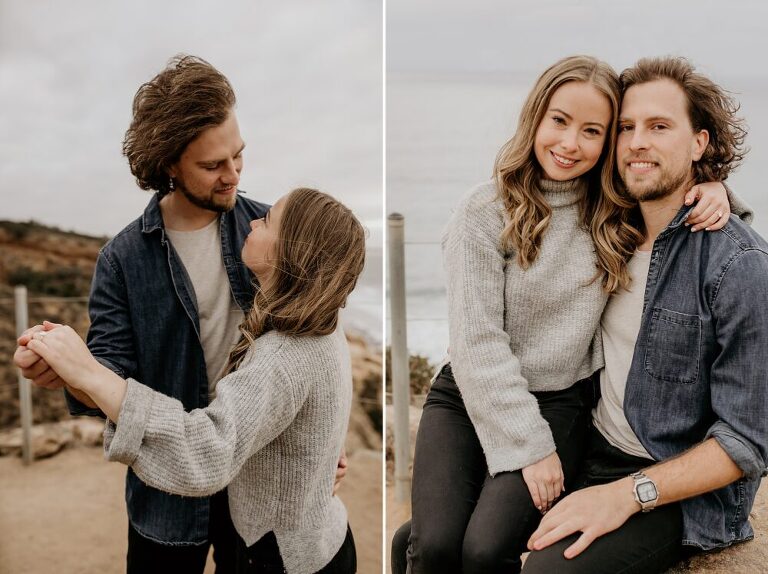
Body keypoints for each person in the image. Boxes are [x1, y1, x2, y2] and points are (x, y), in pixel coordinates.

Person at [391, 56, 745, 574]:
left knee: (485, 550)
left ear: (607, 143)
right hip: (468, 395)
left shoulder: (613, 209)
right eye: (559, 121)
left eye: (593, 131)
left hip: (561, 403)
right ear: (536, 117)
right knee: (434, 544)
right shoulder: (482, 212)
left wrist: (717, 190)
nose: (570, 143)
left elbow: (672, 195)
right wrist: (528, 447)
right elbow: (477, 344)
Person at [13, 55, 342, 573]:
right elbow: (106, 378)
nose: (233, 175)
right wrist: (64, 374)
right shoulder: (121, 259)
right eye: (213, 166)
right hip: (164, 496)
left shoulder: (271, 233)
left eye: (238, 156)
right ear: (169, 164)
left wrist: (318, 443)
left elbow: (313, 345)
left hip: (255, 488)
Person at [21, 187, 364, 574]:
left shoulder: (283, 353)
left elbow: (207, 450)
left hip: (282, 560)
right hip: (320, 540)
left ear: (291, 253)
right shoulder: (324, 324)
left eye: (268, 221)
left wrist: (88, 372)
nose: (253, 220)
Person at [518, 56, 768, 573]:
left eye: (659, 126)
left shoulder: (739, 266)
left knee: (548, 569)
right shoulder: (608, 225)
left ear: (699, 143)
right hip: (589, 445)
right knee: (426, 539)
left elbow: (747, 438)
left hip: (676, 488)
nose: (636, 142)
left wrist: (625, 496)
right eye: (625, 128)